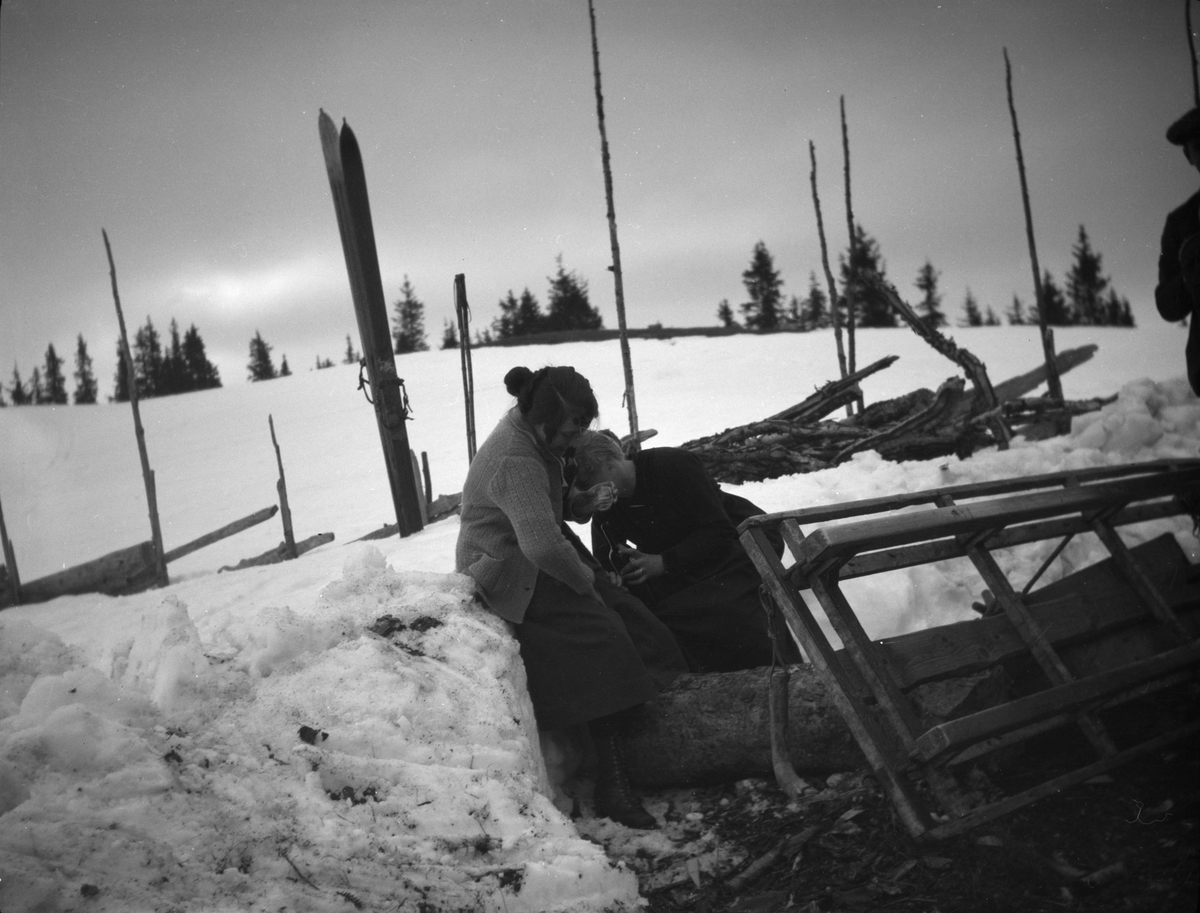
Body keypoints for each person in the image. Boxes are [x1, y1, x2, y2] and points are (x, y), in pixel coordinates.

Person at [455, 366, 686, 829]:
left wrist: (580, 505)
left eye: (575, 431)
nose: (569, 441)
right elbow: (539, 543)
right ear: (539, 420)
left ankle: (648, 726)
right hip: (508, 569)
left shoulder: (540, 442)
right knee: (600, 637)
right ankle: (613, 780)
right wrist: (586, 585)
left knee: (636, 622)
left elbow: (549, 512)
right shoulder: (515, 458)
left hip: (541, 552)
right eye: (564, 433)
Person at [569, 430, 797, 674]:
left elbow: (717, 529)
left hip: (738, 541)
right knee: (655, 617)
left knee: (727, 607)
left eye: (586, 481)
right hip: (684, 558)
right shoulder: (605, 502)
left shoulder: (670, 464)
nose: (588, 491)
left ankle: (777, 673)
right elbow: (607, 556)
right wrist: (614, 573)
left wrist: (664, 562)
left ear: (609, 463)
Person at [1156, 106, 1200, 394]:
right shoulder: (1182, 222)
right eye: (1199, 147)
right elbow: (1169, 307)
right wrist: (1191, 272)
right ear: (1189, 156)